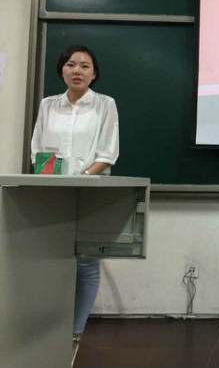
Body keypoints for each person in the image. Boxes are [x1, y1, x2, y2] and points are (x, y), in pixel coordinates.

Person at [30, 45, 119, 366]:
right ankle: (47, 333)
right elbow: (38, 149)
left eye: (84, 66)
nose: (77, 70)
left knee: (86, 263)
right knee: (50, 259)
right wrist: (54, 183)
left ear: (94, 74)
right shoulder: (48, 105)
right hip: (53, 192)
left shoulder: (105, 104)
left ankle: (74, 334)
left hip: (90, 190)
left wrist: (81, 179)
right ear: (62, 71)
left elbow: (107, 153)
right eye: (70, 64)